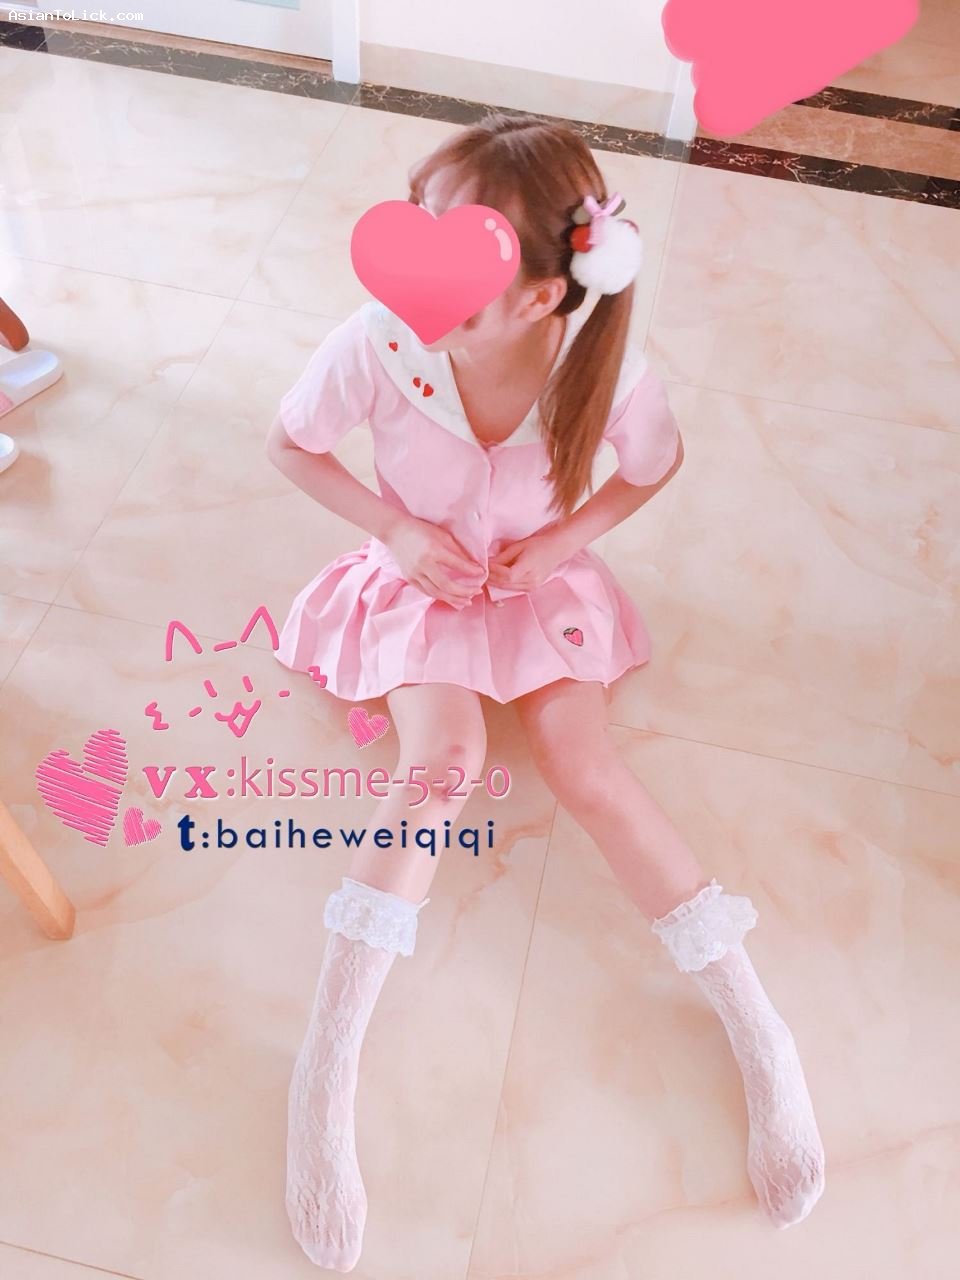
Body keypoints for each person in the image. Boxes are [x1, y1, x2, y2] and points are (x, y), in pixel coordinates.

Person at [266, 111, 826, 1272]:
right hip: (419, 582)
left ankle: (758, 1025)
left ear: (538, 295)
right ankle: (327, 1060)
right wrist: (395, 529)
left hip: (538, 585)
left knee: (587, 766)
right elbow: (291, 443)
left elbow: (652, 465)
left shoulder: (594, 365)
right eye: (419, 227)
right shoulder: (378, 341)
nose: (418, 280)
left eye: (459, 266)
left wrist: (565, 538)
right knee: (441, 767)